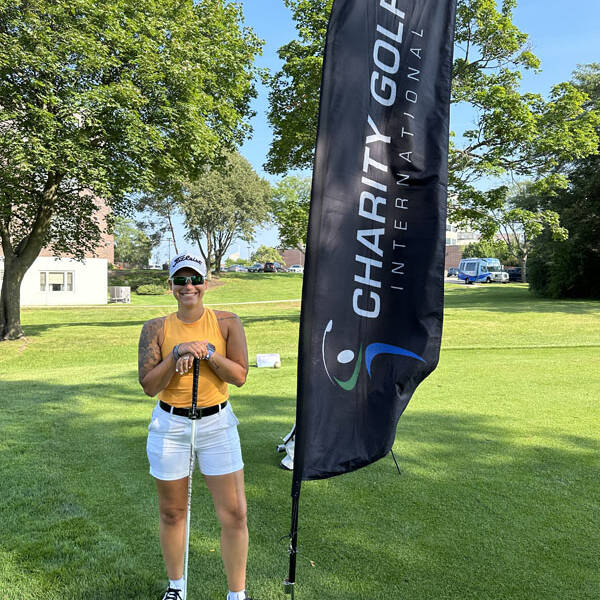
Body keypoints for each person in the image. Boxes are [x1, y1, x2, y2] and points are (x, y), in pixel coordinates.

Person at [137, 253, 251, 600]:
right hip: (170, 426)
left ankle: (237, 593)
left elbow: (240, 376)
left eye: (195, 279)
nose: (189, 287)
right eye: (181, 280)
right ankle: (176, 588)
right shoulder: (155, 328)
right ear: (170, 286)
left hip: (217, 424)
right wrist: (176, 354)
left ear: (207, 281)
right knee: (172, 512)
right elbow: (149, 385)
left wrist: (207, 353)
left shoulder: (228, 321)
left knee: (234, 513)